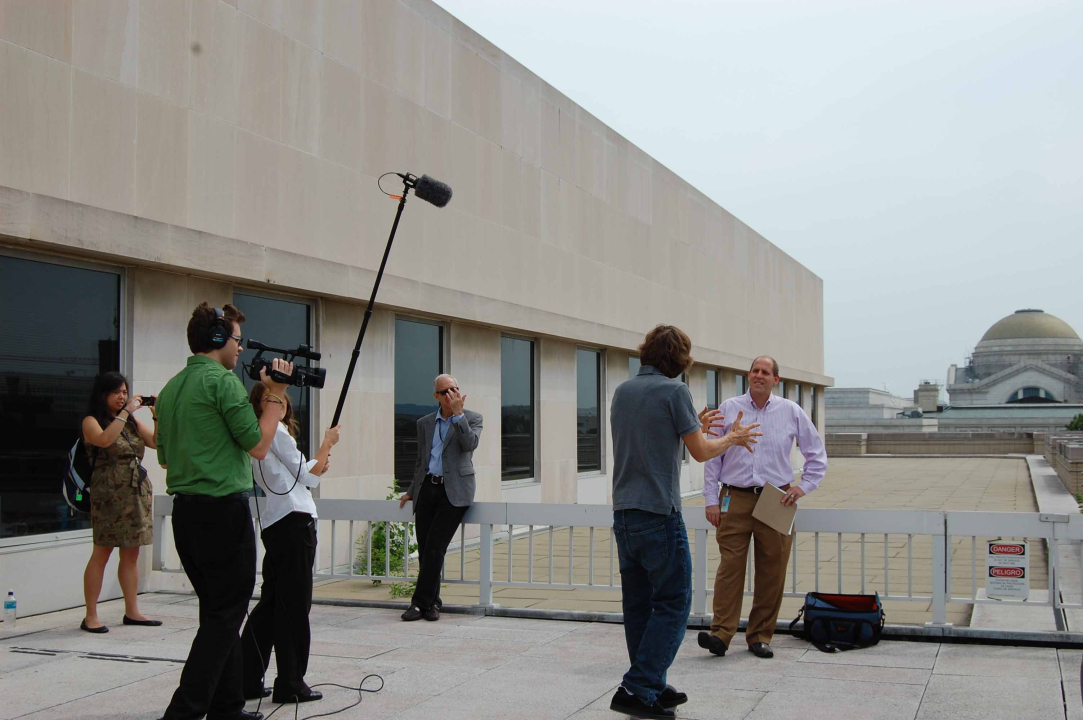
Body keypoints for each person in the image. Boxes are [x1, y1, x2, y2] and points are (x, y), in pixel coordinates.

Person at [609, 325, 761, 720]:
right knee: (675, 603)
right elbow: (701, 453)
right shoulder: (675, 391)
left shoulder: (623, 391)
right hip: (659, 514)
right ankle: (638, 685)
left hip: (624, 514)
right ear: (678, 360)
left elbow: (653, 436)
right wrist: (731, 437)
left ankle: (650, 685)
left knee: (640, 604)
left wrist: (693, 423)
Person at [156, 303, 293, 720]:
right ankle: (184, 710)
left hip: (187, 515)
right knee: (225, 614)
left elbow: (163, 457)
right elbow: (257, 444)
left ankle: (227, 705)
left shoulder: (171, 388)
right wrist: (276, 398)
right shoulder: (224, 383)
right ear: (217, 339)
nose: (239, 349)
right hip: (222, 513)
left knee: (217, 611)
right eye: (236, 340)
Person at [698, 355, 828, 661]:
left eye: (765, 372)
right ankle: (720, 634)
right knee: (730, 568)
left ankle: (759, 636)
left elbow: (816, 455)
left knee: (773, 570)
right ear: (748, 375)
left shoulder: (791, 411)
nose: (758, 375)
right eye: (755, 370)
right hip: (735, 496)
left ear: (775, 380)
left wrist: (802, 486)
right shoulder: (730, 408)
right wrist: (711, 499)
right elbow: (711, 457)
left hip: (777, 497)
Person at [241, 383, 341, 706]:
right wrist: (326, 443)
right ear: (266, 404)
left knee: (272, 604)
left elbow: (300, 473)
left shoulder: (257, 434)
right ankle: (291, 682)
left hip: (275, 523)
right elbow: (308, 476)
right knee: (295, 606)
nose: (282, 402)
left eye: (282, 397)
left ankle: (246, 678)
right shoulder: (278, 431)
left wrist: (317, 462)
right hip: (295, 522)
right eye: (274, 397)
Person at [79, 372, 161, 633]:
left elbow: (156, 442)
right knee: (102, 552)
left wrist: (156, 415)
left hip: (134, 492)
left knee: (132, 553)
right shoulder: (91, 421)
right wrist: (124, 413)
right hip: (109, 494)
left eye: (125, 392)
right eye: (117, 392)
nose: (122, 396)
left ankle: (132, 611)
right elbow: (104, 440)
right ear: (102, 395)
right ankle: (91, 615)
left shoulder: (132, 422)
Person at [397, 374, 483, 622]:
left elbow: (469, 445)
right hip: (427, 489)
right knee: (425, 549)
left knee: (436, 547)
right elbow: (421, 461)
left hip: (455, 492)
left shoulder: (472, 418)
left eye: (454, 389)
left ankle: (418, 603)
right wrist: (413, 489)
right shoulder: (424, 422)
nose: (450, 395)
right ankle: (433, 604)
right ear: (436, 396)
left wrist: (458, 416)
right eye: (445, 391)